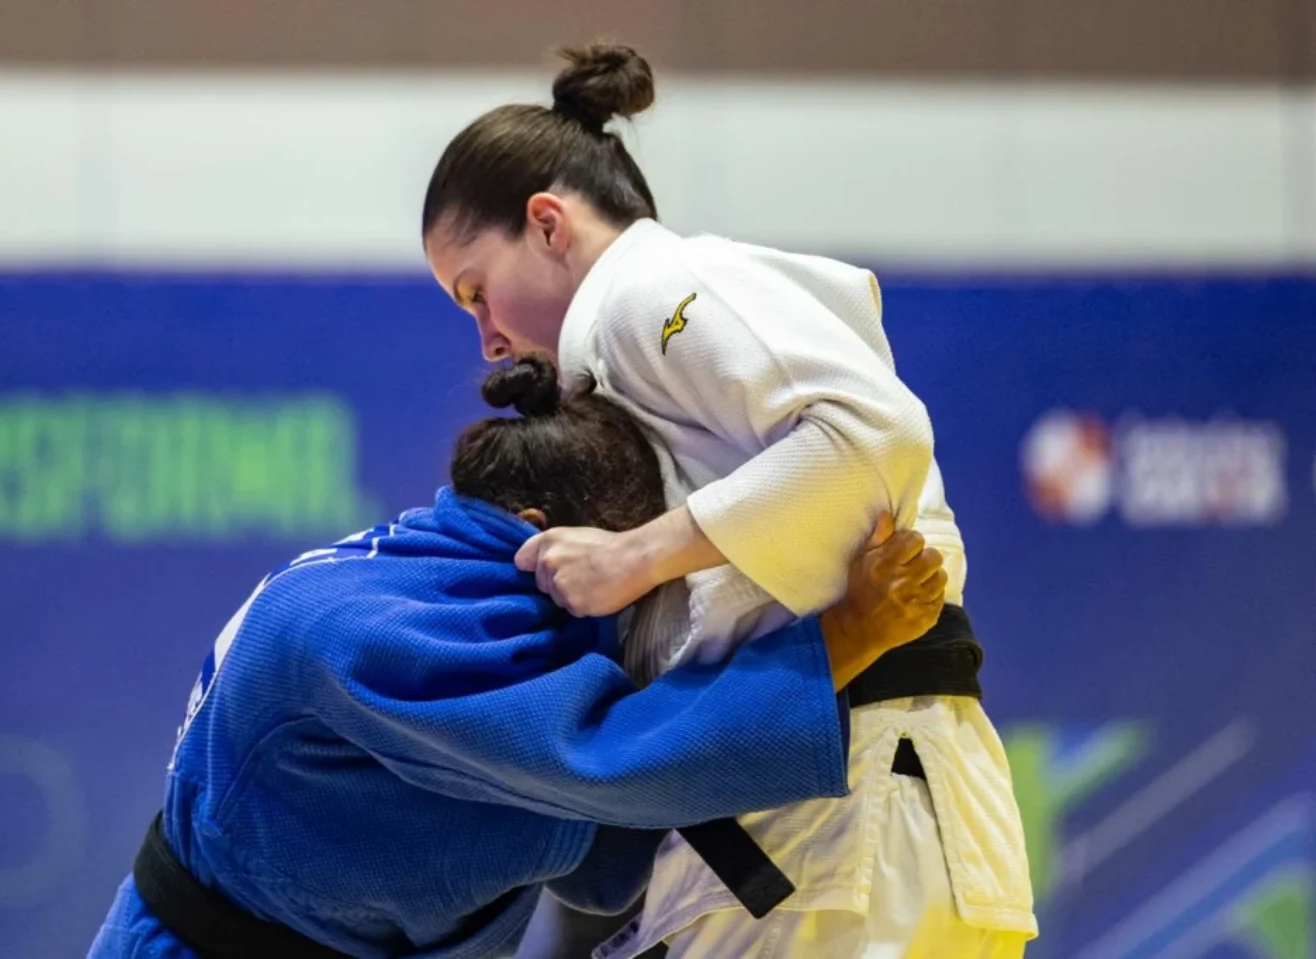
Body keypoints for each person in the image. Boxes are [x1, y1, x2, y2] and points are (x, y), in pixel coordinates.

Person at [422, 45, 1036, 958]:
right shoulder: (634, 336)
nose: (488, 338)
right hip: (829, 821)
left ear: (548, 223)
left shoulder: (647, 294)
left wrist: (634, 556)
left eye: (478, 291)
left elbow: (876, 436)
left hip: (851, 819)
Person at [88, 358, 947, 959]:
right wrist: (849, 636)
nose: (643, 592)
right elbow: (607, 762)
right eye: (632, 564)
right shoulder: (359, 630)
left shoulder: (417, 577)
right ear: (545, 535)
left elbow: (596, 852)